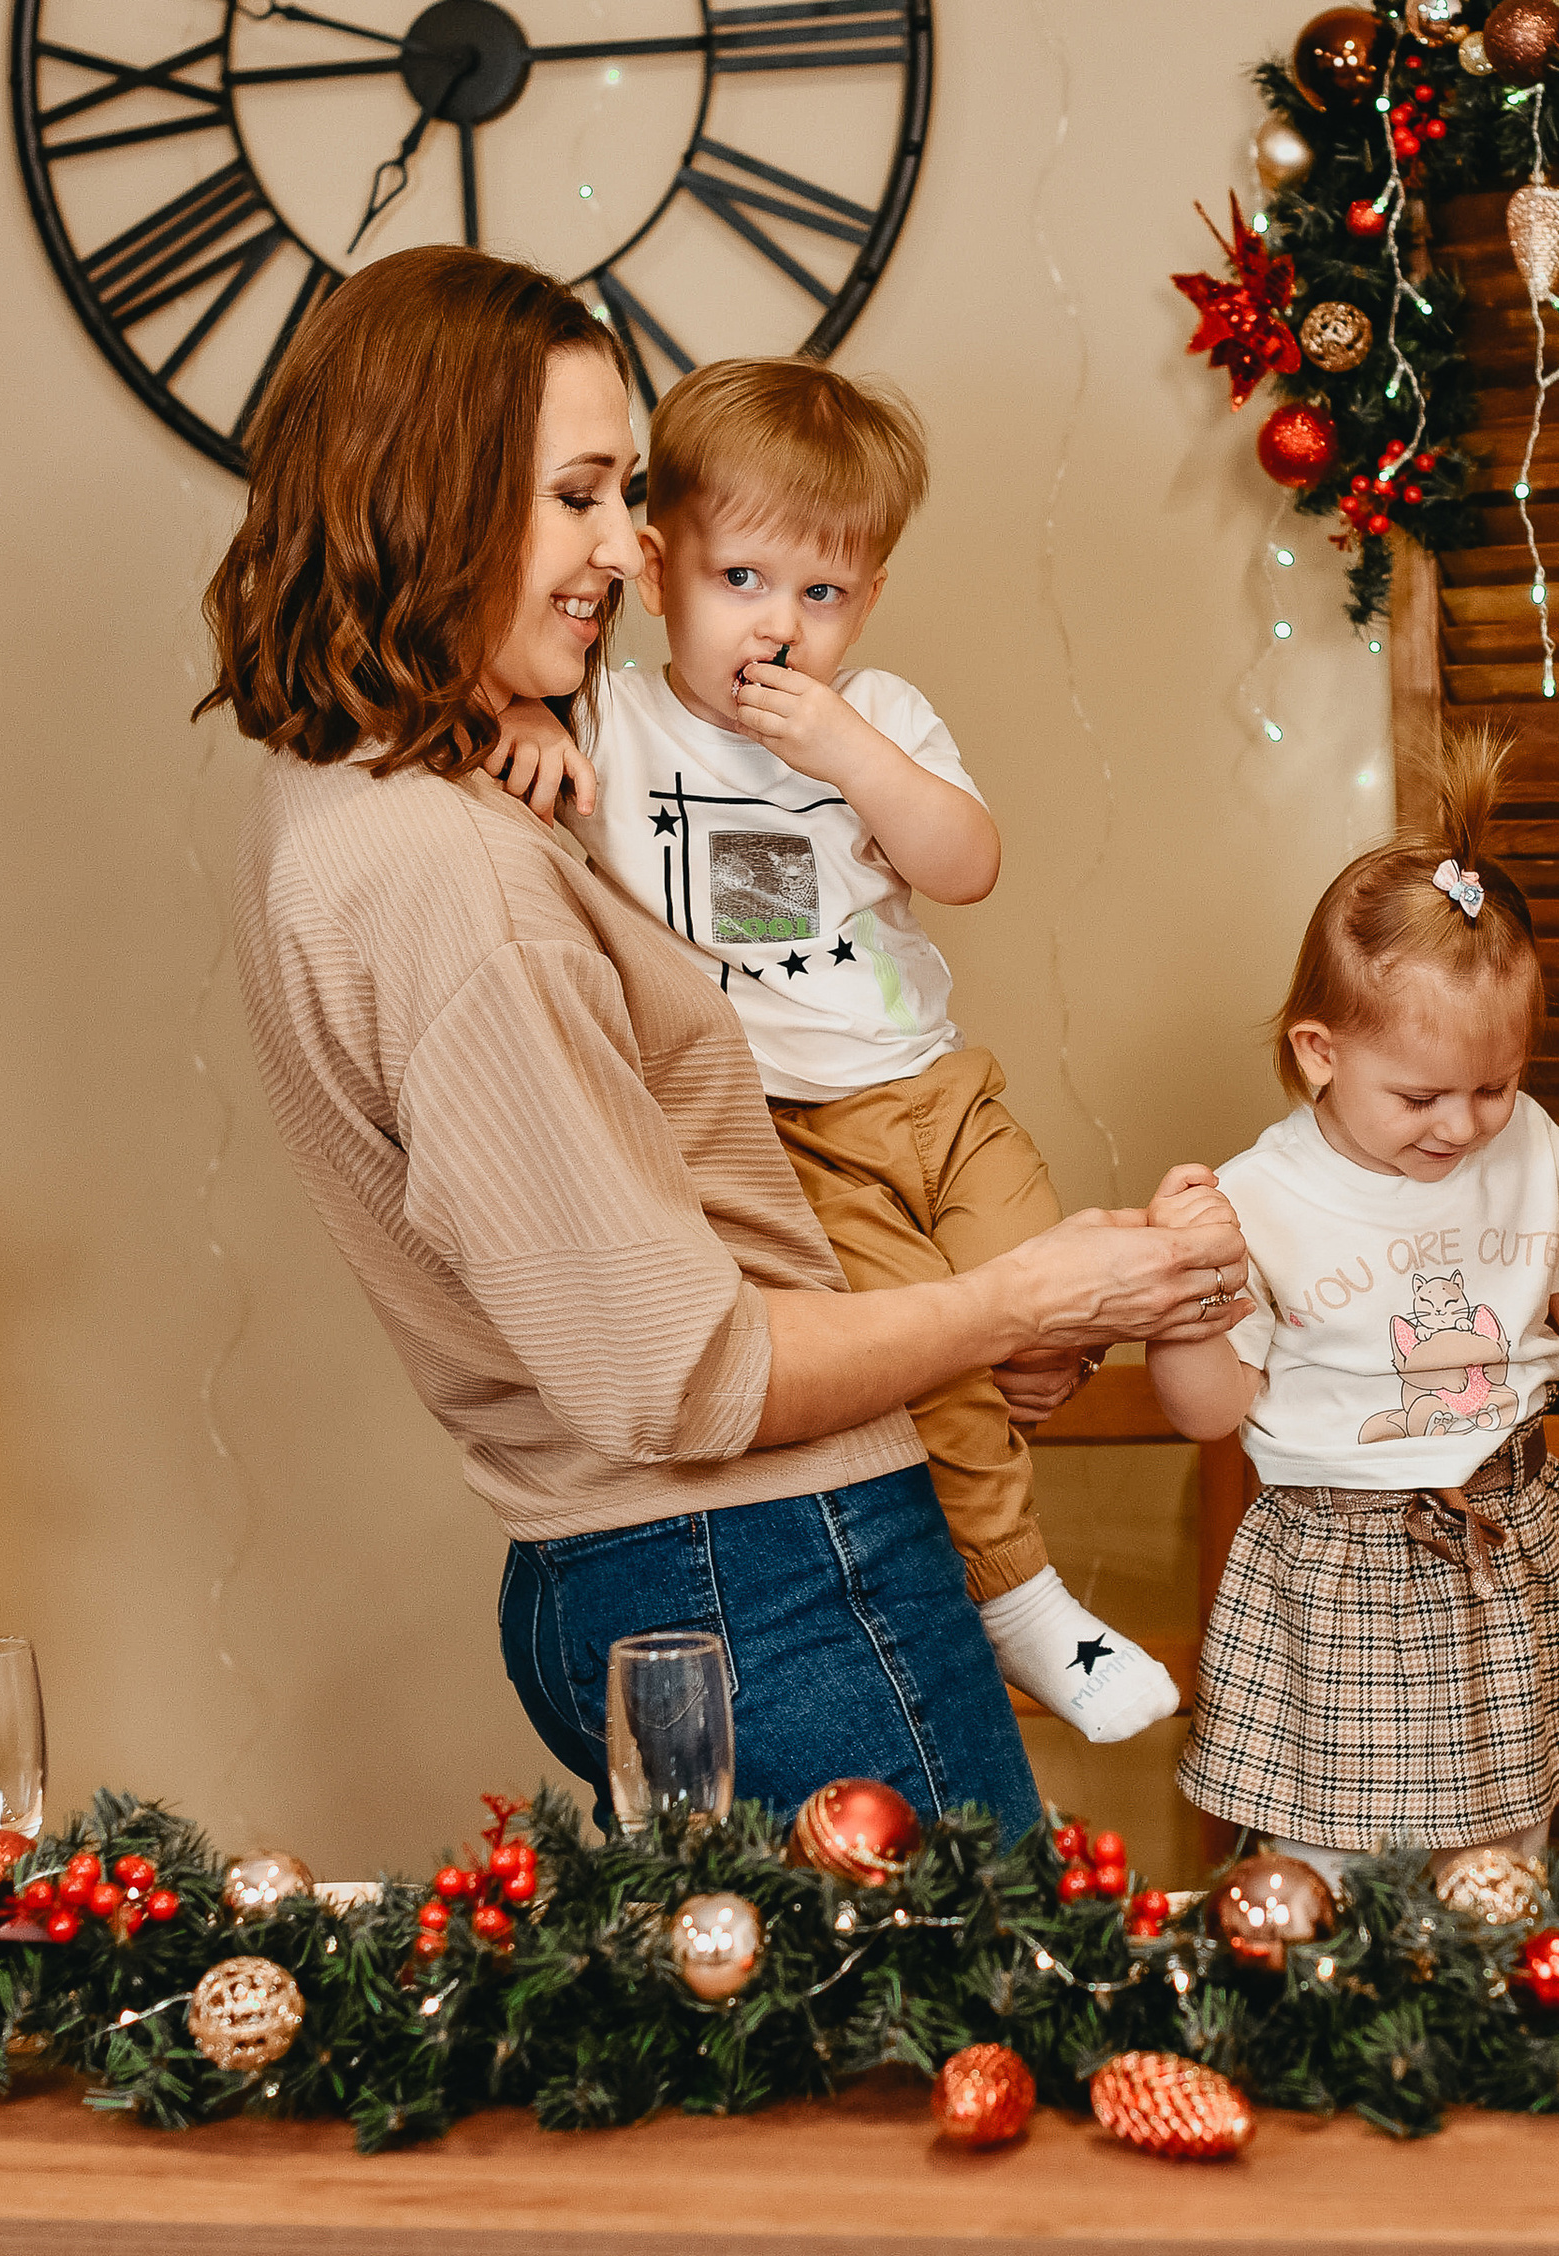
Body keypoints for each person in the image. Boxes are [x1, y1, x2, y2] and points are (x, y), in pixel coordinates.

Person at [200, 246, 1246, 1841]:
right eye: (578, 495)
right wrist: (1023, 1301)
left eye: (625, 494)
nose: (623, 548)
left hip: (650, 1565)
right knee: (974, 1994)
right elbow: (686, 1373)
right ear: (427, 497)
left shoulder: (361, 792)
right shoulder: (459, 875)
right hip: (764, 1568)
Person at [482, 356, 1178, 1745]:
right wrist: (508, 715)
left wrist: (851, 751)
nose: (780, 625)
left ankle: (1017, 1459)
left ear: (870, 596)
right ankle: (1019, 1594)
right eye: (742, 580)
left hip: (936, 1091)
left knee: (1050, 1293)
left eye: (824, 593)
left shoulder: (884, 716)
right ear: (657, 571)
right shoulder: (614, 717)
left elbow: (966, 864)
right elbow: (461, 708)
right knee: (940, 1352)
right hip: (797, 1131)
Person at [1151, 734, 1559, 1886]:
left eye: (1495, 1084)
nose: (1462, 1124)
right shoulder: (1259, 1198)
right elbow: (1210, 1410)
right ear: (1318, 1053)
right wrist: (1185, 1313)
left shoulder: (1530, 1142)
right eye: (1419, 1095)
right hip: (1339, 1573)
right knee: (1326, 1870)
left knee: (1500, 1865)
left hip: (1506, 1539)